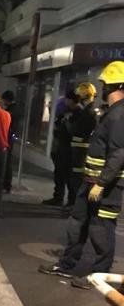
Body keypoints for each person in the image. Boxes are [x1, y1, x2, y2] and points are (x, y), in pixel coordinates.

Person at [38, 61, 124, 290]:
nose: (104, 89)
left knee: (101, 230)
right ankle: (67, 263)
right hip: (90, 182)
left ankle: (99, 275)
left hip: (107, 186)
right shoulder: (111, 113)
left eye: (108, 85)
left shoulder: (120, 115)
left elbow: (119, 153)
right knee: (78, 223)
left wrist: (102, 183)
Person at [65, 83, 99, 210]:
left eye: (79, 96)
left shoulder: (88, 112)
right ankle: (76, 206)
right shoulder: (88, 111)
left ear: (84, 96)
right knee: (76, 179)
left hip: (81, 152)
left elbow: (77, 130)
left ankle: (77, 208)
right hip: (79, 150)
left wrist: (68, 123)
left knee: (78, 181)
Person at [43, 91, 77, 206]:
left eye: (67, 99)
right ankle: (58, 197)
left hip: (68, 150)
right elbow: (58, 127)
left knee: (68, 177)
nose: (65, 101)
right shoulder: (64, 113)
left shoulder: (76, 114)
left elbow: (72, 132)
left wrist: (66, 122)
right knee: (59, 175)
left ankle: (71, 201)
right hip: (60, 148)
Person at [1, 90, 20, 193]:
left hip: (8, 137)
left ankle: (6, 185)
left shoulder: (12, 110)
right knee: (6, 161)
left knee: (7, 161)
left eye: (3, 99)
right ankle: (5, 184)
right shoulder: (13, 108)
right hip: (9, 136)